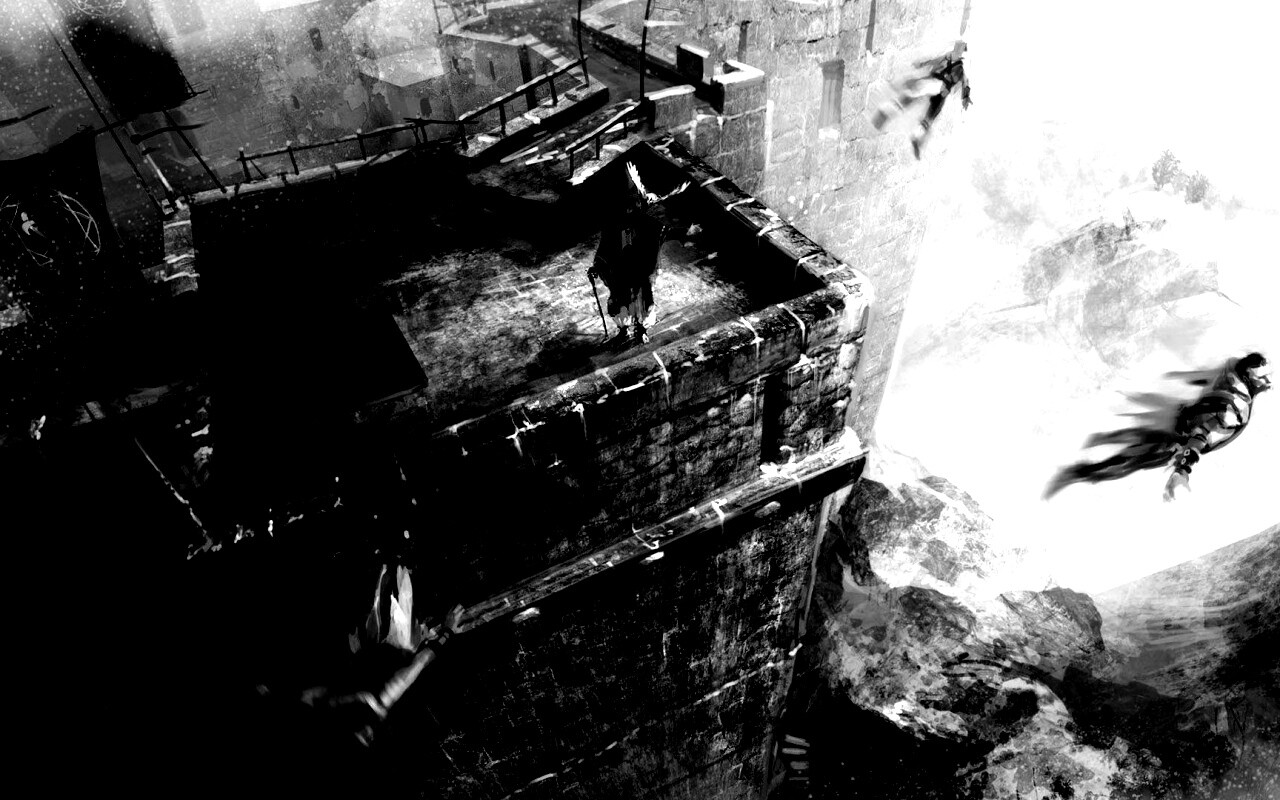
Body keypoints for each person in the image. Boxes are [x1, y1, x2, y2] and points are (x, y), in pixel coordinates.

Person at [1044, 352, 1272, 501]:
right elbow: (1200, 437)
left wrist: (1188, 379)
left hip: (1176, 419)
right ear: (1248, 376)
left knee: (1134, 444)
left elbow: (1206, 379)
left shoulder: (1232, 368)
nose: (1269, 382)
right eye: (1263, 378)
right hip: (1174, 442)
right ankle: (1075, 473)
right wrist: (1182, 471)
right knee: (1126, 463)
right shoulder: (1232, 411)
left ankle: (1095, 445)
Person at [587, 163, 689, 344]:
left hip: (641, 272)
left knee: (643, 304)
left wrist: (685, 232)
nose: (630, 208)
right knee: (620, 304)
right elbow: (605, 247)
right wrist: (598, 266)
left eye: (634, 205)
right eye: (628, 205)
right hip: (621, 272)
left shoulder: (649, 224)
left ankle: (641, 329)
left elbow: (664, 233)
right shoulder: (614, 226)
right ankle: (623, 330)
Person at [871, 40, 971, 159]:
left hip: (938, 89)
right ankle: (889, 115)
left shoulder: (956, 64)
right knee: (918, 106)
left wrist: (965, 97)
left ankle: (914, 136)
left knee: (924, 111)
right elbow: (962, 82)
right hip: (937, 87)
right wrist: (923, 64)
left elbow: (964, 83)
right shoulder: (951, 59)